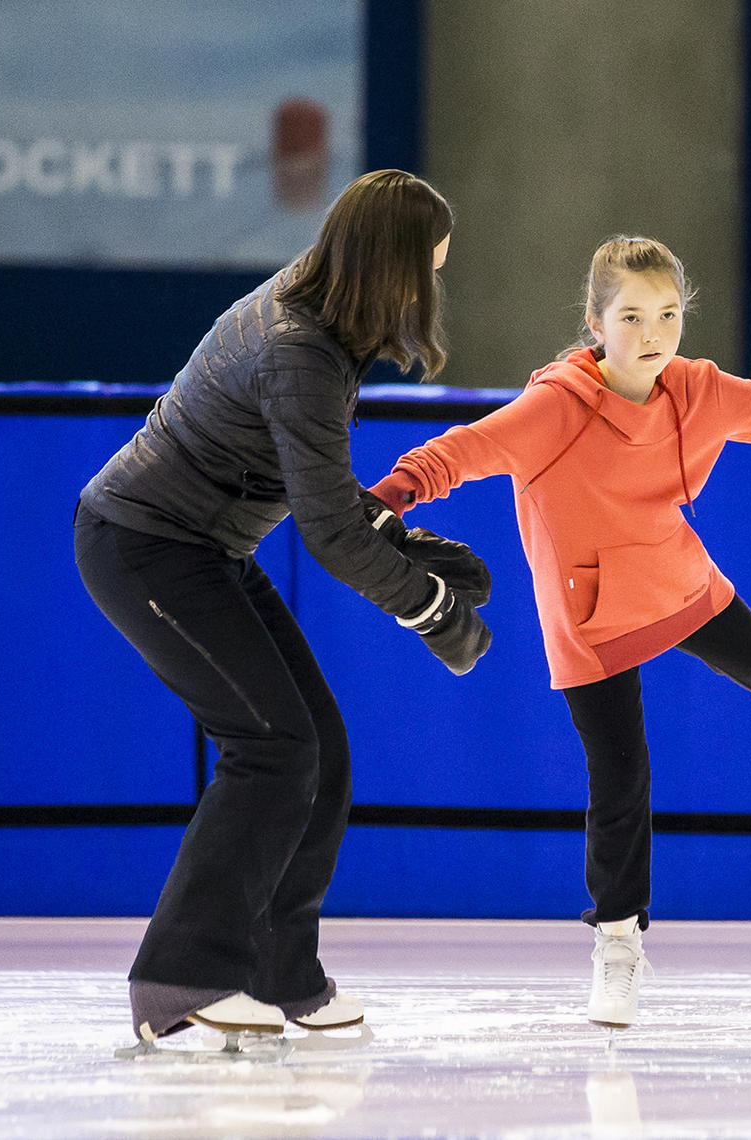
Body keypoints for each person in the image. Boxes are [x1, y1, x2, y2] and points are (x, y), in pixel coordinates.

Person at [367, 236, 751, 1030]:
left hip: (670, 575)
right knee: (621, 776)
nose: (653, 332)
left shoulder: (698, 391)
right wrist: (392, 495)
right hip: (587, 614)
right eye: (632, 316)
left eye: (667, 314)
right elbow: (465, 450)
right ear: (597, 323)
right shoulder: (556, 406)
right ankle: (619, 942)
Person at [74, 169, 492, 1044]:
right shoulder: (300, 347)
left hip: (206, 547)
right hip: (145, 544)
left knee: (320, 750)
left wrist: (402, 546)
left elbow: (329, 503)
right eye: (431, 271)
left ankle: (280, 973)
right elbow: (332, 537)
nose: (432, 292)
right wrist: (432, 613)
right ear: (391, 267)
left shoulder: (322, 314)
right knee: (271, 747)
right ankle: (178, 980)